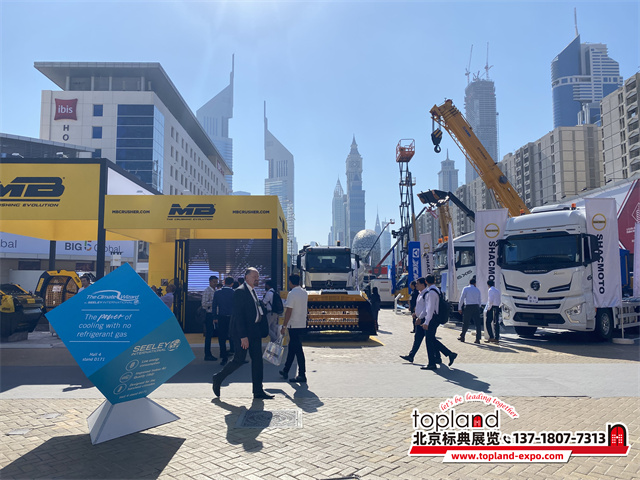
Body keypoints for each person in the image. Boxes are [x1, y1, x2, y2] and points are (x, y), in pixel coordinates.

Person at [212, 268, 273, 400]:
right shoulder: (240, 292)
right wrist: (243, 336)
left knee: (258, 361)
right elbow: (238, 316)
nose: (257, 279)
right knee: (239, 360)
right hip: (244, 333)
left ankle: (258, 391)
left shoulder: (253, 291)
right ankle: (218, 378)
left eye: (258, 277)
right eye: (254, 276)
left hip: (255, 331)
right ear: (246, 277)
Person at [421, 275, 457, 370]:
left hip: (432, 318)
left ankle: (432, 363)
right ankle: (448, 354)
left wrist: (426, 322)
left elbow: (430, 308)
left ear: (426, 282)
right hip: (436, 317)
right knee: (432, 339)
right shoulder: (438, 290)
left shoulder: (431, 292)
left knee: (429, 340)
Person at [279, 274, 309, 383]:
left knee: (298, 350)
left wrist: (284, 325)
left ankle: (302, 374)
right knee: (292, 348)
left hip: (293, 325)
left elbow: (289, 311)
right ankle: (286, 370)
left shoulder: (292, 294)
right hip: (302, 324)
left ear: (291, 282)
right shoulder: (304, 293)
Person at [399, 277, 436, 364]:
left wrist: (420, 318)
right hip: (420, 318)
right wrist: (415, 314)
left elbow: (427, 308)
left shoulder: (426, 294)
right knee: (418, 338)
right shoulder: (420, 293)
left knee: (430, 340)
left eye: (418, 284)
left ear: (423, 284)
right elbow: (420, 307)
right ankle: (411, 356)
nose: (416, 285)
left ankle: (445, 354)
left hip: (424, 319)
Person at [212, 277, 236, 365]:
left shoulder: (217, 293)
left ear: (224, 282)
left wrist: (214, 317)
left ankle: (223, 356)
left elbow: (214, 306)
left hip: (221, 317)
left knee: (222, 337)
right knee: (233, 336)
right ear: (232, 284)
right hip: (232, 317)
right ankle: (236, 356)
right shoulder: (234, 293)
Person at [458, 277, 482, 344]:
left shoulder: (466, 288)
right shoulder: (477, 290)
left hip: (468, 306)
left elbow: (462, 298)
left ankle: (463, 337)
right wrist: (479, 307)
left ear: (469, 283)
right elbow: (479, 300)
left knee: (465, 322)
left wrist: (459, 307)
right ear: (475, 283)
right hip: (476, 306)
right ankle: (478, 339)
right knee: (477, 323)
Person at [201, 276, 219, 362]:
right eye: (214, 282)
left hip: (216, 315)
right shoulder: (207, 291)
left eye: (216, 282)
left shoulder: (216, 291)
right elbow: (204, 304)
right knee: (208, 335)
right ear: (210, 282)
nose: (215, 283)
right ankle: (207, 354)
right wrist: (214, 303)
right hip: (209, 315)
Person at [485, 279, 501, 344]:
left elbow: (490, 300)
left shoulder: (490, 290)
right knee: (496, 323)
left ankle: (491, 336)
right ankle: (496, 337)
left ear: (488, 285)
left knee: (488, 322)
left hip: (492, 307)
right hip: (497, 307)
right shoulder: (497, 290)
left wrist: (489, 308)